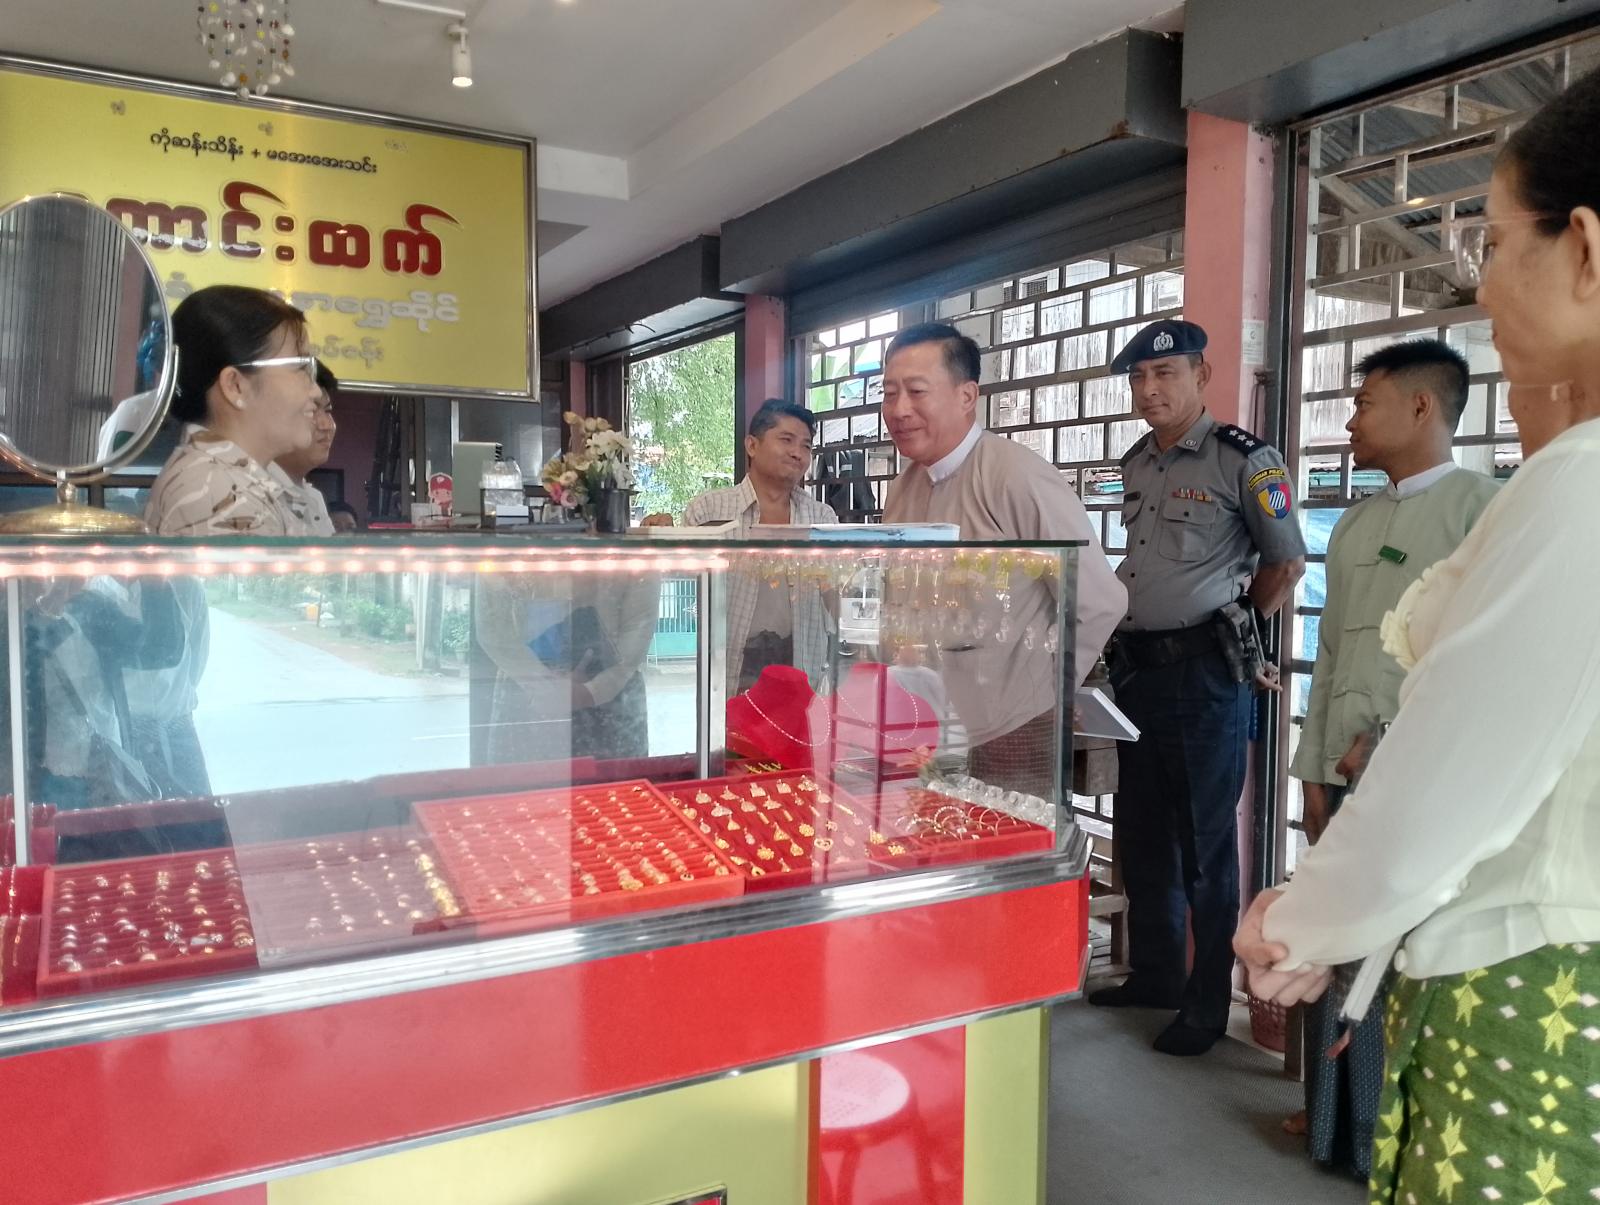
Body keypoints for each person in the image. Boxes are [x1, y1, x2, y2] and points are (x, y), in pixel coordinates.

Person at [1235, 68, 1600, 1205]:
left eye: (1496, 243)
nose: (1481, 286)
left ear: (1585, 249)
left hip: (1538, 979)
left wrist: (1299, 918)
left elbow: (1457, 768)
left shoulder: (1579, 485)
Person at [1285, 338, 1499, 1177]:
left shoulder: (1484, 511)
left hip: (1423, 779)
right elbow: (1330, 654)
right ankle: (1334, 1126)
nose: (1350, 422)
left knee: (1405, 954)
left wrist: (1397, 744)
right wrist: (1310, 770)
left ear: (1420, 406)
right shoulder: (1354, 522)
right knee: (1340, 941)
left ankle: (1395, 1135)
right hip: (1342, 775)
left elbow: (1474, 663)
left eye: (1364, 403)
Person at [1088, 318, 1306, 1058]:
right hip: (1138, 671)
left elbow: (1285, 562)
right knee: (1143, 830)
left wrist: (1240, 626)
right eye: (1138, 378)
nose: (1149, 390)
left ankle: (1208, 1004)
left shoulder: (1244, 459)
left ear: (1202, 376)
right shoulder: (1137, 461)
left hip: (1205, 674)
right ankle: (1158, 974)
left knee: (1207, 845)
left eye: (1165, 374)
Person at [879, 322, 1125, 798]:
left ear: (967, 396)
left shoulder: (1016, 477)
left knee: (1012, 840)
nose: (899, 409)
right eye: (889, 394)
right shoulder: (904, 488)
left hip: (1012, 734)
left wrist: (1043, 696)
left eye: (916, 391)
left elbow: (1100, 601)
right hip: (926, 729)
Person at [682, 398, 838, 695]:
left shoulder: (822, 518)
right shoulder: (709, 510)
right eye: (786, 440)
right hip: (730, 667)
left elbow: (837, 598)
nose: (797, 453)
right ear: (752, 445)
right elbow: (689, 583)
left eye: (806, 446)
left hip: (800, 665)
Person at [145, 285, 320, 536]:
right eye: (301, 367)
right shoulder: (221, 499)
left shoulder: (236, 481)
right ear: (235, 386)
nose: (315, 391)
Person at [270, 360, 340, 536]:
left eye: (328, 411)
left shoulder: (314, 497)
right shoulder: (254, 492)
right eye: (311, 410)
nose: (327, 425)